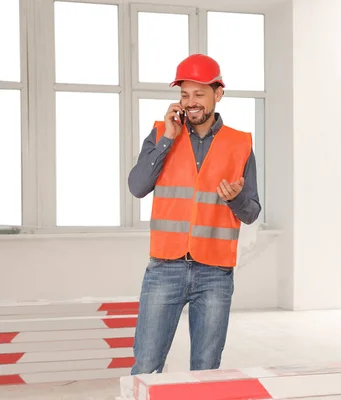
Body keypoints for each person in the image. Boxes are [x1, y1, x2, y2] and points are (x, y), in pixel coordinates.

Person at [127, 53, 261, 374]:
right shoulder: (162, 133)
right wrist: (167, 140)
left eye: (199, 94)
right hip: (165, 268)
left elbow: (252, 211)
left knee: (205, 370)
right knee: (146, 366)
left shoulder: (239, 144)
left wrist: (235, 199)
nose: (191, 102)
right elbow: (137, 186)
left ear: (218, 93)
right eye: (185, 95)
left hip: (215, 273)